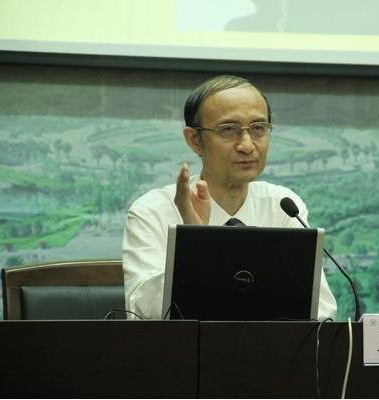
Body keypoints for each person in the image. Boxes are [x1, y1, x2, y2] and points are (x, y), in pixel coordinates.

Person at [121, 74, 337, 320]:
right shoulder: (152, 211)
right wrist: (195, 243)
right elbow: (142, 315)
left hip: (268, 345)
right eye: (228, 130)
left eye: (258, 128)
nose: (247, 145)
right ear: (194, 140)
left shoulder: (283, 207)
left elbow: (321, 312)